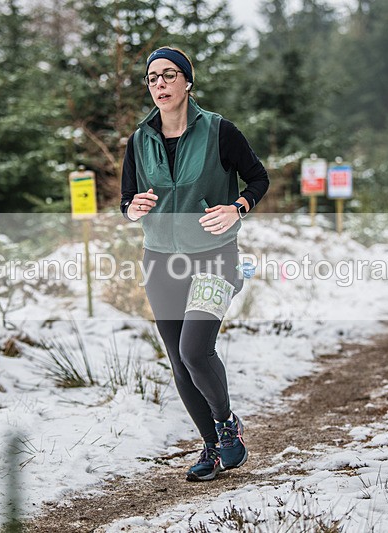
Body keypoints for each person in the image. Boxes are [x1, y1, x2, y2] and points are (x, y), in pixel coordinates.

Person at [120, 47, 269, 482]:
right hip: (160, 261)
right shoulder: (139, 139)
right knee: (178, 360)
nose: (160, 84)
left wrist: (238, 206)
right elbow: (127, 200)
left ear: (188, 82)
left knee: (194, 349)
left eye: (169, 75)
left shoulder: (220, 131)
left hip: (214, 258)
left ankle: (225, 423)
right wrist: (134, 209)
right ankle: (211, 446)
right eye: (152, 78)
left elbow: (258, 178)